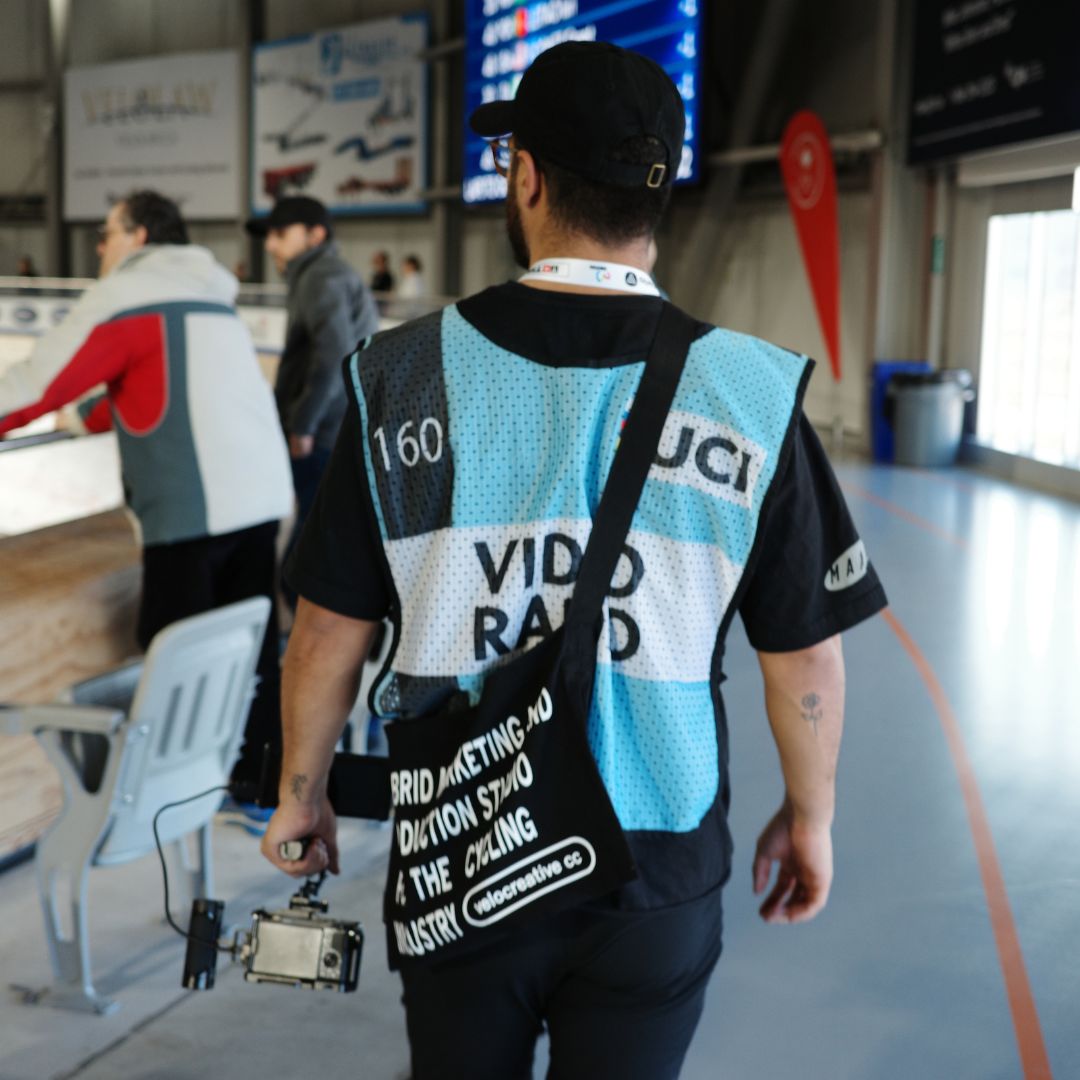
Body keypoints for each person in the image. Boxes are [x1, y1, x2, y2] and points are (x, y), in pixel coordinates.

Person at [261, 41, 887, 1080]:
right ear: (661, 193)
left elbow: (327, 630)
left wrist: (301, 792)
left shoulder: (401, 377)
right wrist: (810, 817)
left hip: (464, 848)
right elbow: (805, 658)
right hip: (659, 852)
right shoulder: (751, 392)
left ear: (528, 176)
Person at [0, 190, 293, 803]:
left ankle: (169, 797)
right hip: (258, 497)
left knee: (172, 651)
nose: (100, 247)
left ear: (138, 238)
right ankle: (260, 784)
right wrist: (93, 418)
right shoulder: (209, 295)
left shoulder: (128, 294)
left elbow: (35, 385)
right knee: (250, 652)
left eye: (107, 234)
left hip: (194, 510)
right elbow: (175, 386)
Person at [245, 196, 379, 609]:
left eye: (280, 234)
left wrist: (303, 424)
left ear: (315, 234)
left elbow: (334, 354)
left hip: (321, 431)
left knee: (307, 550)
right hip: (330, 426)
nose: (271, 245)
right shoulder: (320, 274)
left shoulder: (320, 276)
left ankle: (317, 631)